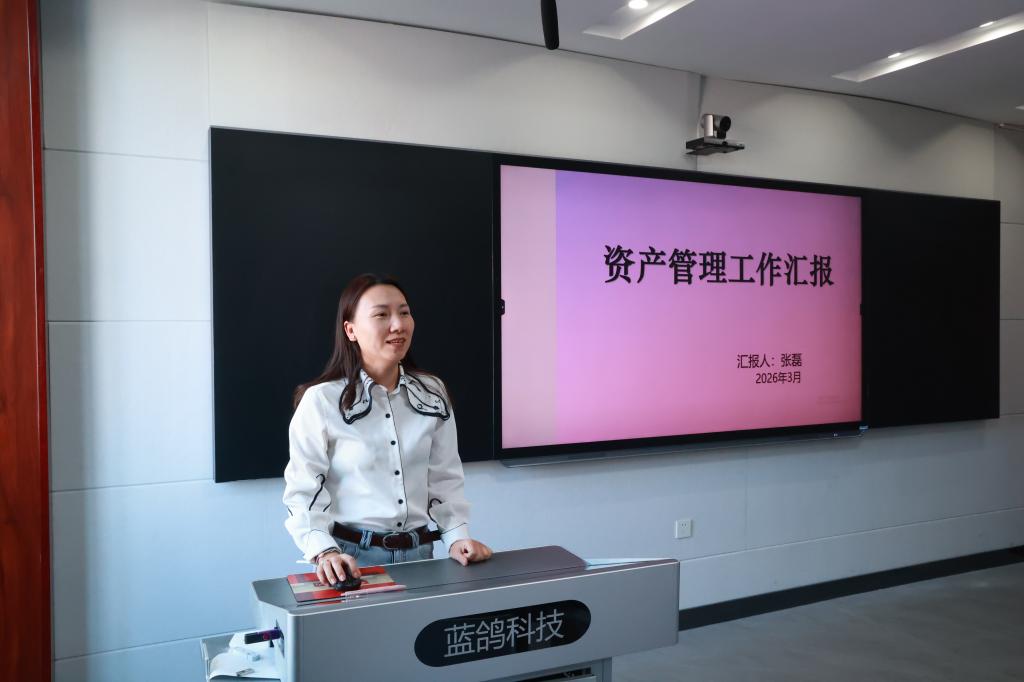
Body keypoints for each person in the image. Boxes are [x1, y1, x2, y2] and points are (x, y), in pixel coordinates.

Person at [283, 273, 492, 587]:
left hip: (422, 555)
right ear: (350, 330)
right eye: (381, 315)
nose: (398, 325)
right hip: (351, 562)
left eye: (404, 313)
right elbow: (303, 490)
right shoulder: (321, 401)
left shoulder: (432, 393)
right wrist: (324, 551)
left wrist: (456, 537)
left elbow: (444, 478)